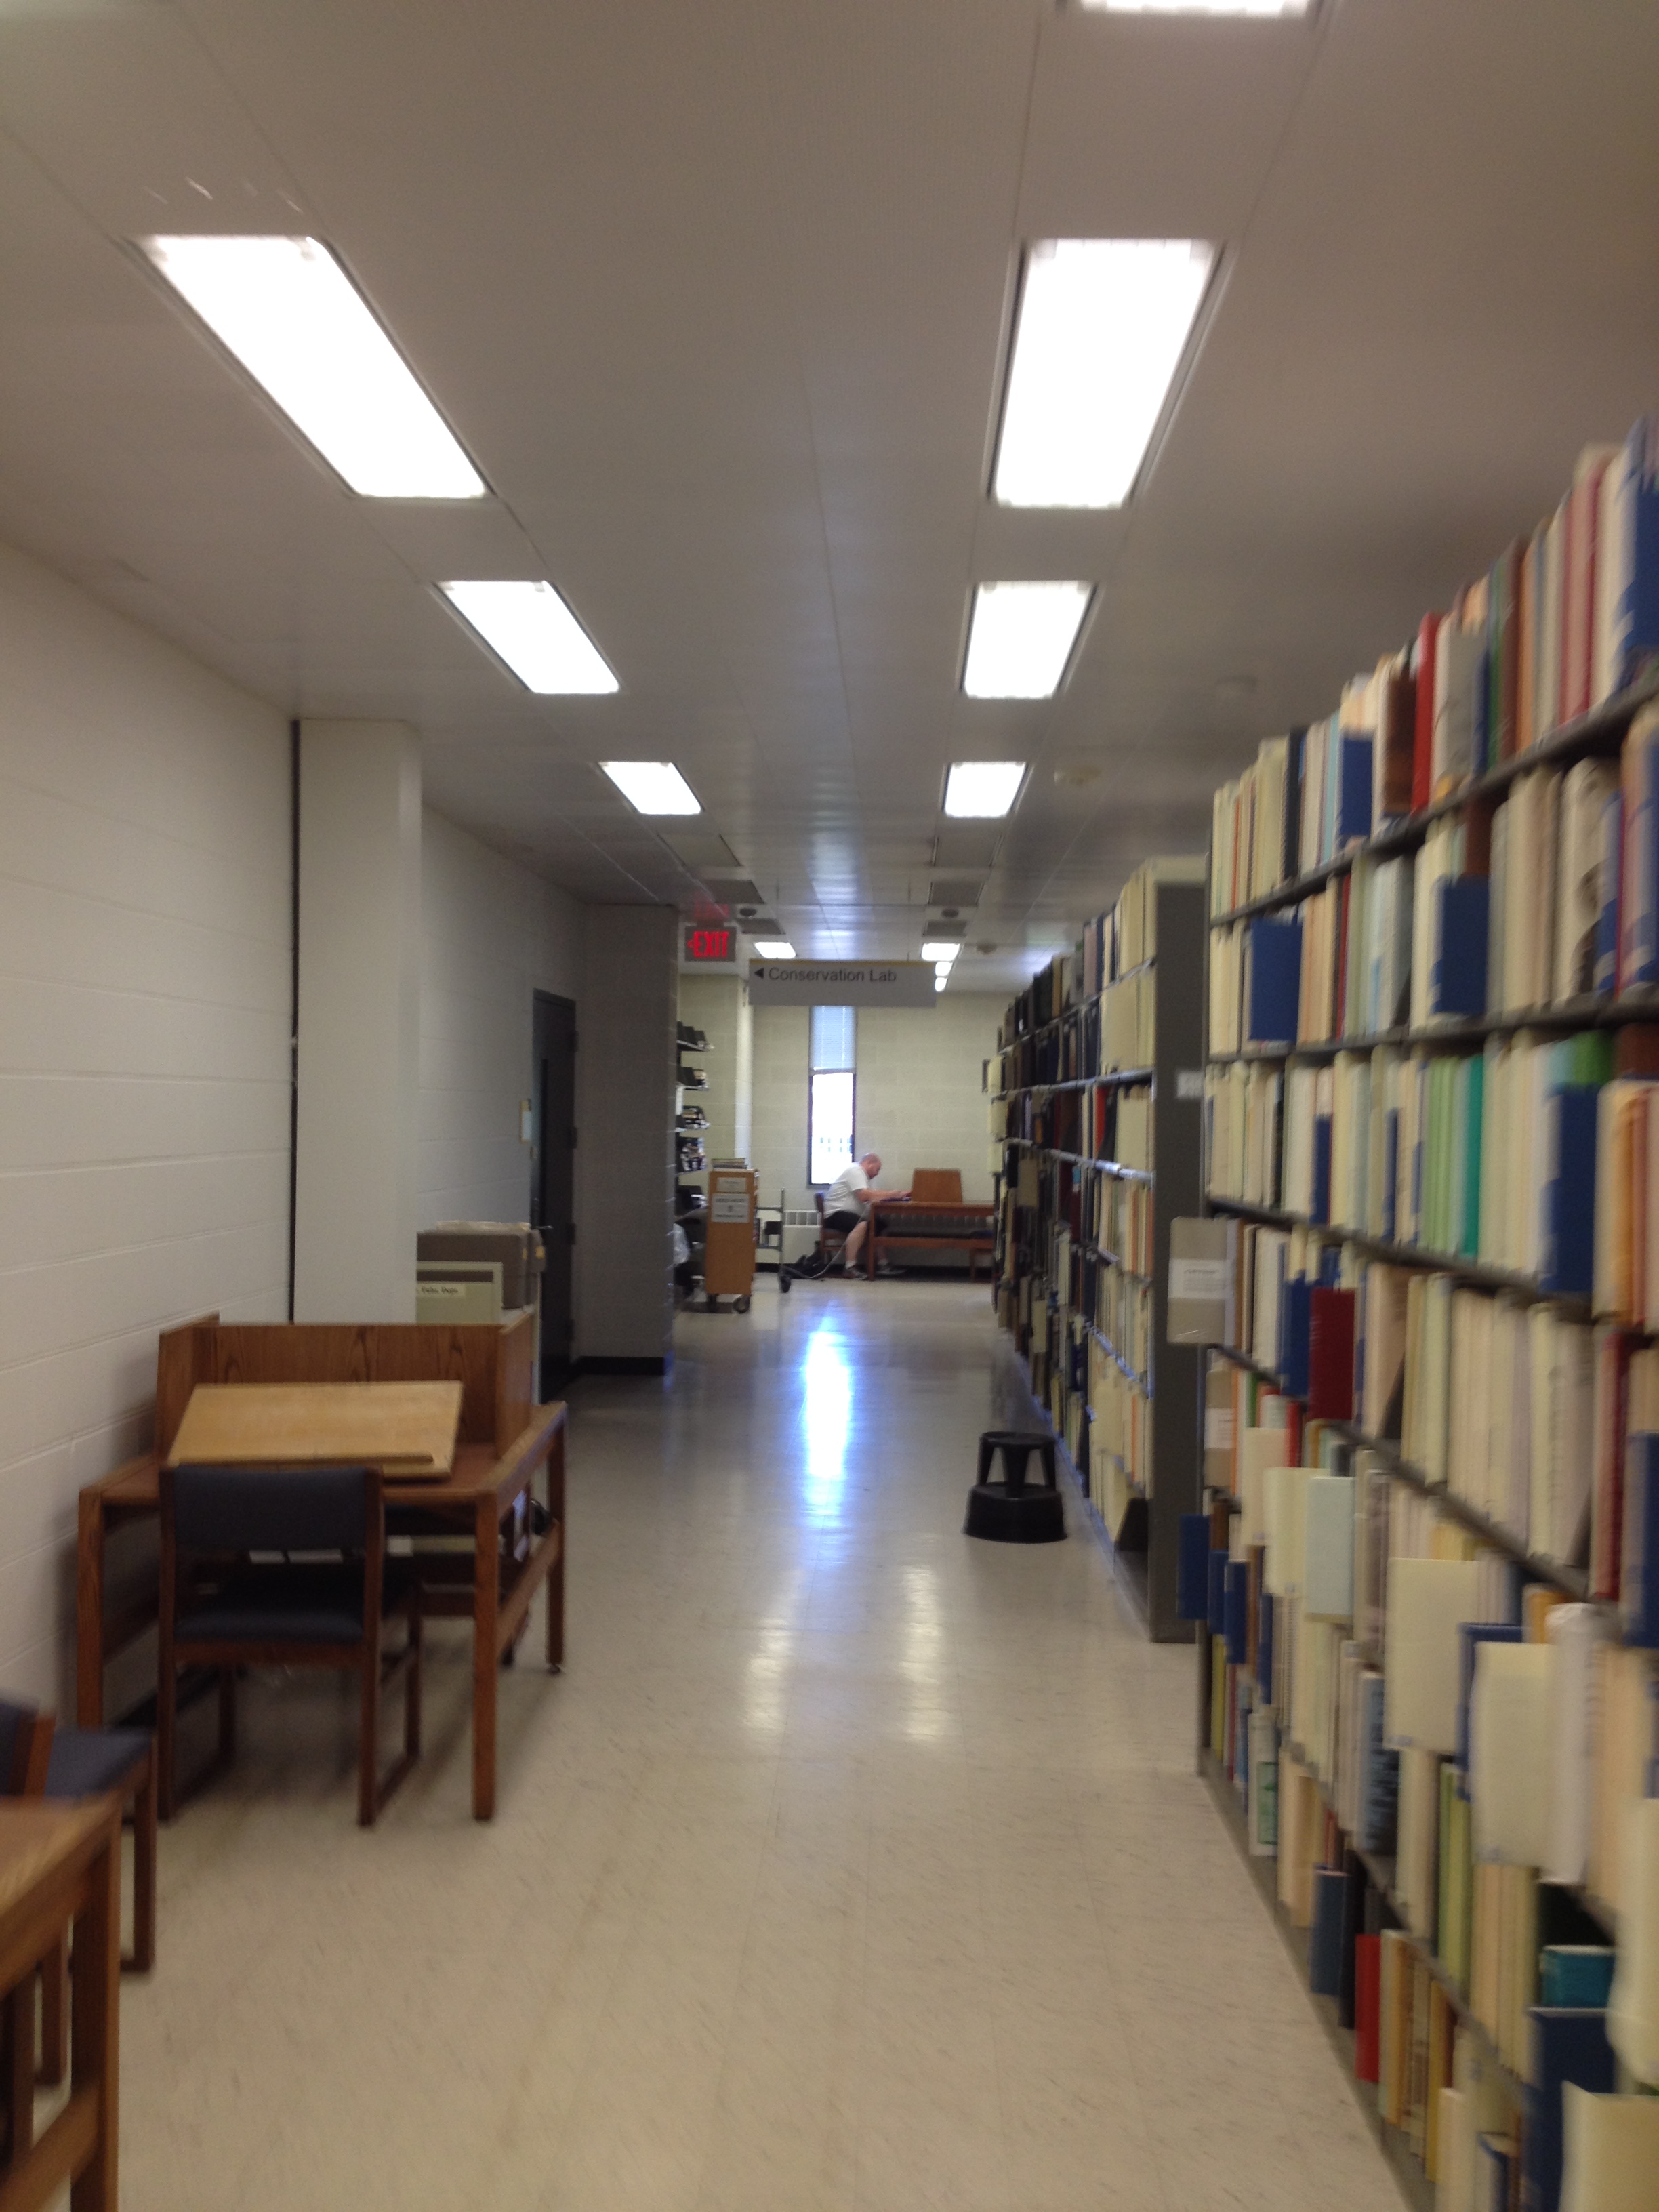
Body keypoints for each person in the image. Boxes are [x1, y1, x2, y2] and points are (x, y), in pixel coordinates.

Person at [823, 1152, 905, 1276]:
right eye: (877, 1169)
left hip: (844, 1214)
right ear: (869, 1163)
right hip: (835, 1214)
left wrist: (894, 1195)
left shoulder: (862, 1176)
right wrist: (892, 1194)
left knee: (881, 1226)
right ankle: (850, 1267)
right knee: (861, 1225)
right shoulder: (856, 1171)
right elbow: (864, 1196)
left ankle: (883, 1264)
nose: (877, 1173)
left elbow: (869, 1195)